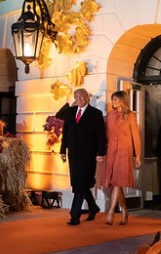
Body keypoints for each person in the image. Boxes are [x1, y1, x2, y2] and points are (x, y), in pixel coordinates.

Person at [59, 88, 106, 226]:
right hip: (73, 154)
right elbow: (65, 132)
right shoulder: (70, 112)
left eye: (81, 96)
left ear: (87, 98)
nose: (79, 99)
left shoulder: (95, 114)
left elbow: (101, 136)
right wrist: (62, 150)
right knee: (80, 183)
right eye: (76, 96)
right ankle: (93, 207)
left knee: (80, 184)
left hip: (88, 155)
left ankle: (74, 216)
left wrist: (101, 153)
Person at [98, 90, 142, 225]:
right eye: (113, 99)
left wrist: (138, 155)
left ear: (123, 100)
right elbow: (104, 135)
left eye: (116, 99)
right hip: (111, 152)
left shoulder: (131, 116)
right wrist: (101, 152)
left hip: (124, 152)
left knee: (117, 182)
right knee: (116, 183)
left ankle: (111, 211)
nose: (113, 102)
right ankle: (125, 211)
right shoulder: (109, 115)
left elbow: (135, 136)